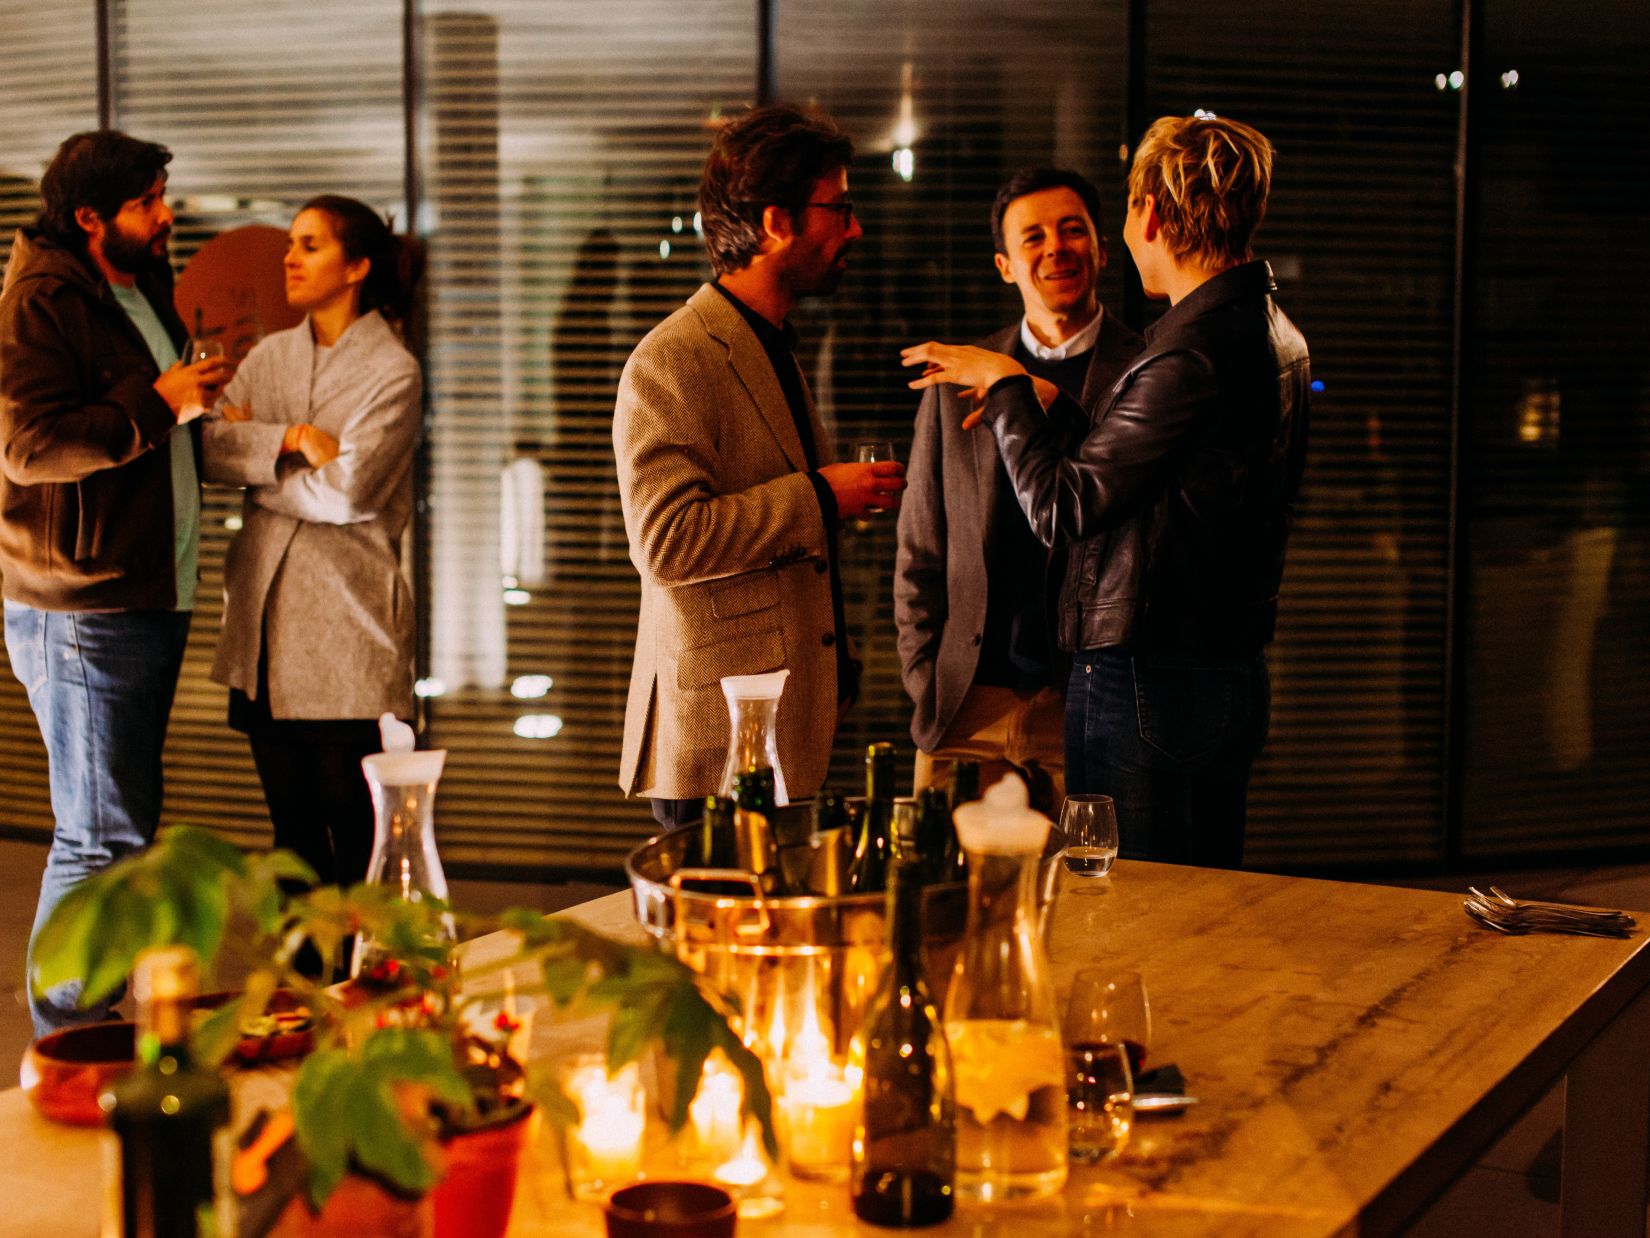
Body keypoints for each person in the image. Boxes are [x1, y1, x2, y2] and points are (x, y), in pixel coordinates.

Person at [902, 114, 1309, 868]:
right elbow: (1180, 484)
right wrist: (1073, 413)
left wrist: (1009, 388)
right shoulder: (1271, 330)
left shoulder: (1182, 352)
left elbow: (1065, 509)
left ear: (1148, 214)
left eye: (1114, 215)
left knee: (1135, 916)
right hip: (1220, 669)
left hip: (1148, 678)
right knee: (1198, 902)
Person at [614, 104, 904, 827]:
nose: (854, 229)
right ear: (777, 223)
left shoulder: (770, 340)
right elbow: (667, 542)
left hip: (778, 729)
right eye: (839, 208)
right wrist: (820, 496)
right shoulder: (672, 357)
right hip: (715, 746)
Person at [0, 130, 232, 1034]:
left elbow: (156, 408)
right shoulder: (40, 300)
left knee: (122, 832)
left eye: (163, 192)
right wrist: (162, 401)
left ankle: (96, 1025)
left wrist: (196, 401)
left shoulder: (138, 285)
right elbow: (29, 448)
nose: (166, 212)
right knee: (98, 836)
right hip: (81, 603)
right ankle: (68, 1037)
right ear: (91, 217)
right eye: (147, 200)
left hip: (142, 589)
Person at [894, 168, 1143, 815]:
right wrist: (926, 679)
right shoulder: (959, 376)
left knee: (1084, 907)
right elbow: (920, 550)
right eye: (1033, 237)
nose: (1055, 248)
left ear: (1102, 249)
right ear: (1006, 265)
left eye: (1072, 231)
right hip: (963, 706)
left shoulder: (1146, 373)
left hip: (1083, 703)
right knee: (943, 904)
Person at [201, 195, 422, 889]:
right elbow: (207, 450)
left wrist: (257, 459)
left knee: (356, 837)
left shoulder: (393, 371)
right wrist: (294, 441)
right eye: (291, 243)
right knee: (291, 837)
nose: (289, 258)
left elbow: (350, 492)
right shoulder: (269, 355)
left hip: (346, 633)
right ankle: (302, 987)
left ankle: (361, 988)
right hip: (264, 631)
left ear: (356, 266)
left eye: (309, 244)